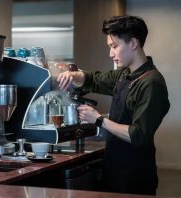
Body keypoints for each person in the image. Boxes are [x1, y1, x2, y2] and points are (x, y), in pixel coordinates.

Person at [57, 15, 170, 195]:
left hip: (135, 175)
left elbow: (138, 135)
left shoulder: (151, 83)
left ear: (133, 43)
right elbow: (95, 79)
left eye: (114, 46)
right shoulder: (124, 74)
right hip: (114, 167)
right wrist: (75, 75)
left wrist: (99, 120)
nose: (111, 54)